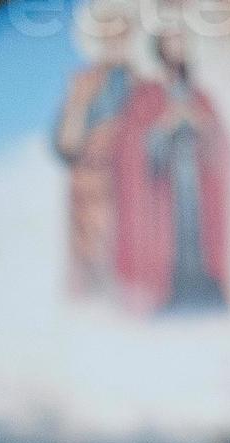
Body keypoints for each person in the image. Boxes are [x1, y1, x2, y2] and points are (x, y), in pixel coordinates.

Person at [114, 24, 230, 315]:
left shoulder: (199, 94)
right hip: (166, 183)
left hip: (197, 179)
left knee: (198, 231)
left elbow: (219, 143)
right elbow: (134, 146)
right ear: (160, 49)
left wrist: (200, 124)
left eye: (181, 41)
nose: (177, 48)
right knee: (172, 234)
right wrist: (164, 124)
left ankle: (204, 285)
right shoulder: (146, 94)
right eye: (171, 42)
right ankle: (169, 289)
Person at [54, 1, 140, 298]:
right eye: (106, 34)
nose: (113, 41)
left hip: (132, 187)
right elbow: (66, 145)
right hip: (90, 191)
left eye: (120, 33)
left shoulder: (143, 85)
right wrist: (78, 105)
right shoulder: (83, 84)